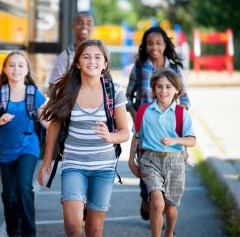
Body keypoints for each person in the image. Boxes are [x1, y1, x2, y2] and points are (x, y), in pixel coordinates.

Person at [38, 39, 130, 237]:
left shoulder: (114, 92)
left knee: (94, 229)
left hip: (104, 167)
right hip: (74, 164)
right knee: (72, 226)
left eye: (98, 57)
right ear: (78, 62)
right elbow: (54, 125)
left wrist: (109, 136)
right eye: (86, 56)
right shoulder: (65, 90)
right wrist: (47, 160)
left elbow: (125, 132)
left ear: (105, 64)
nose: (92, 61)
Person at [0, 51, 47, 237]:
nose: (16, 69)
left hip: (28, 146)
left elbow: (47, 121)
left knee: (24, 187)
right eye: (11, 65)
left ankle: (29, 233)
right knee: (9, 196)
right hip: (6, 150)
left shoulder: (34, 94)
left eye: (20, 65)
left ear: (27, 70)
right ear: (4, 68)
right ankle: (14, 232)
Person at [126, 26, 190, 221]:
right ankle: (148, 198)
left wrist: (181, 115)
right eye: (150, 43)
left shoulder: (175, 69)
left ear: (165, 45)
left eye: (159, 43)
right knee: (146, 164)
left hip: (168, 129)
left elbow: (185, 98)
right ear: (145, 46)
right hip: (145, 127)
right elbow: (128, 96)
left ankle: (159, 204)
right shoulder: (138, 67)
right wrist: (136, 114)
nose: (154, 47)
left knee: (168, 167)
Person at [129, 68, 196, 237]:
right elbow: (136, 137)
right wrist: (131, 161)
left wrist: (176, 141)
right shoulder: (144, 111)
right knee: (157, 203)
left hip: (175, 163)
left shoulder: (182, 114)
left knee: (170, 207)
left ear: (176, 90)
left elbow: (192, 141)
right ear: (153, 89)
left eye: (168, 87)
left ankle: (169, 233)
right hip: (150, 161)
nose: (163, 91)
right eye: (159, 86)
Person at [48, 11, 94, 94]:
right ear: (73, 26)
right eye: (80, 23)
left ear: (93, 27)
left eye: (89, 23)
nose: (84, 26)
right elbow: (52, 88)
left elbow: (108, 83)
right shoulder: (65, 57)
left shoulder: (100, 55)